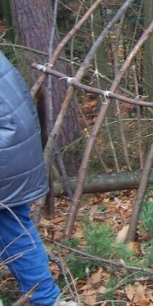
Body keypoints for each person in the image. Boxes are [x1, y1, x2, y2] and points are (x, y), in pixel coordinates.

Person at [0, 52, 71, 306]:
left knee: (11, 227)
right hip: (13, 144)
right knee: (13, 226)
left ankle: (46, 299)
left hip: (5, 148)